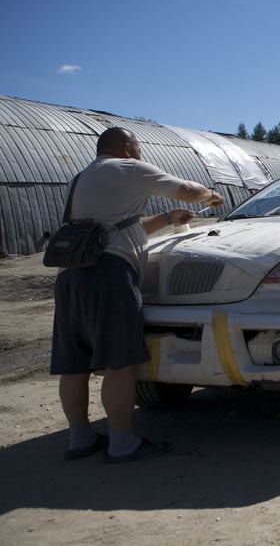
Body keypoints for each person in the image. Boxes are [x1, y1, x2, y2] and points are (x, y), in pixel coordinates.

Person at [52, 126, 225, 463]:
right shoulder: (128, 167)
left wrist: (167, 219)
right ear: (128, 147)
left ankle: (80, 439)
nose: (141, 152)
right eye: (139, 147)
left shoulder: (82, 178)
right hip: (108, 276)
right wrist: (209, 196)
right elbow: (188, 189)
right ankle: (122, 443)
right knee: (119, 364)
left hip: (70, 277)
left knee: (74, 365)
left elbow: (116, 227)